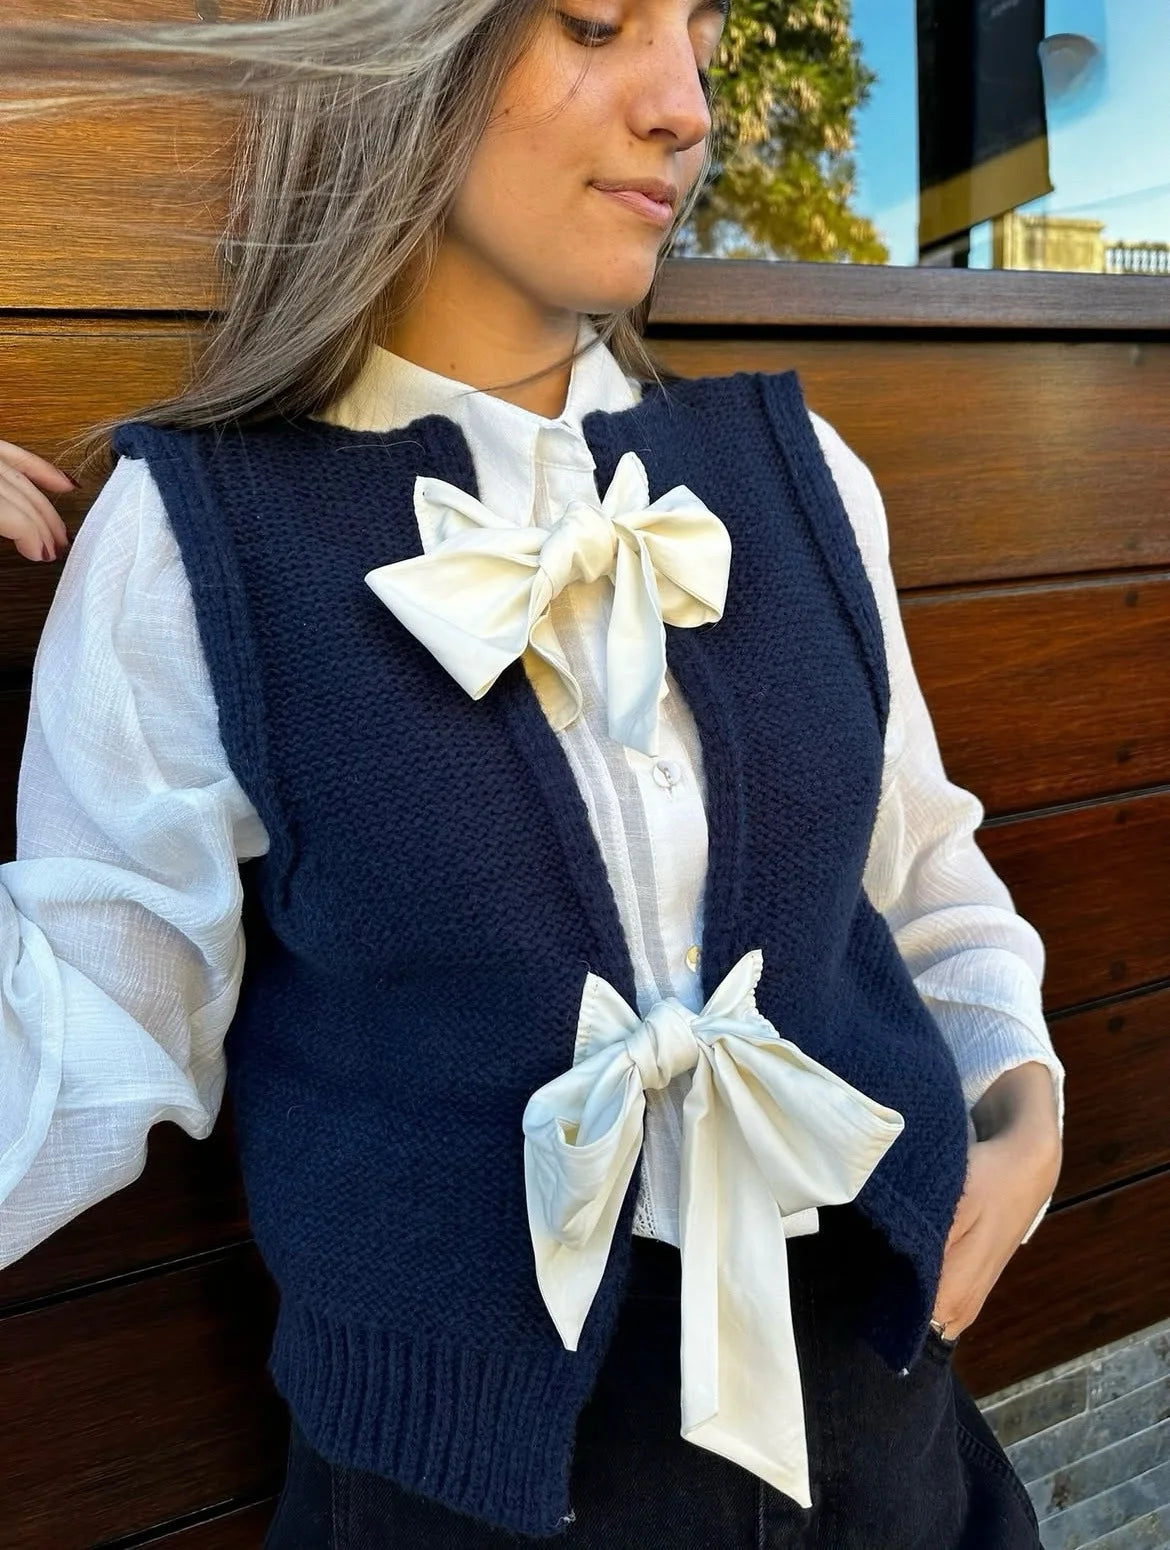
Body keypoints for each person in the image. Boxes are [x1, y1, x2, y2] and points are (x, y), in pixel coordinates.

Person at [0, 0, 1064, 1544]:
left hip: (889, 1448)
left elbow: (917, 870)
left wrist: (1018, 1098)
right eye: (593, 21)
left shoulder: (802, 477)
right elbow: (74, 1041)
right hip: (462, 1494)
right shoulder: (192, 546)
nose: (686, 106)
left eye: (697, 37)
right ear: (401, 51)